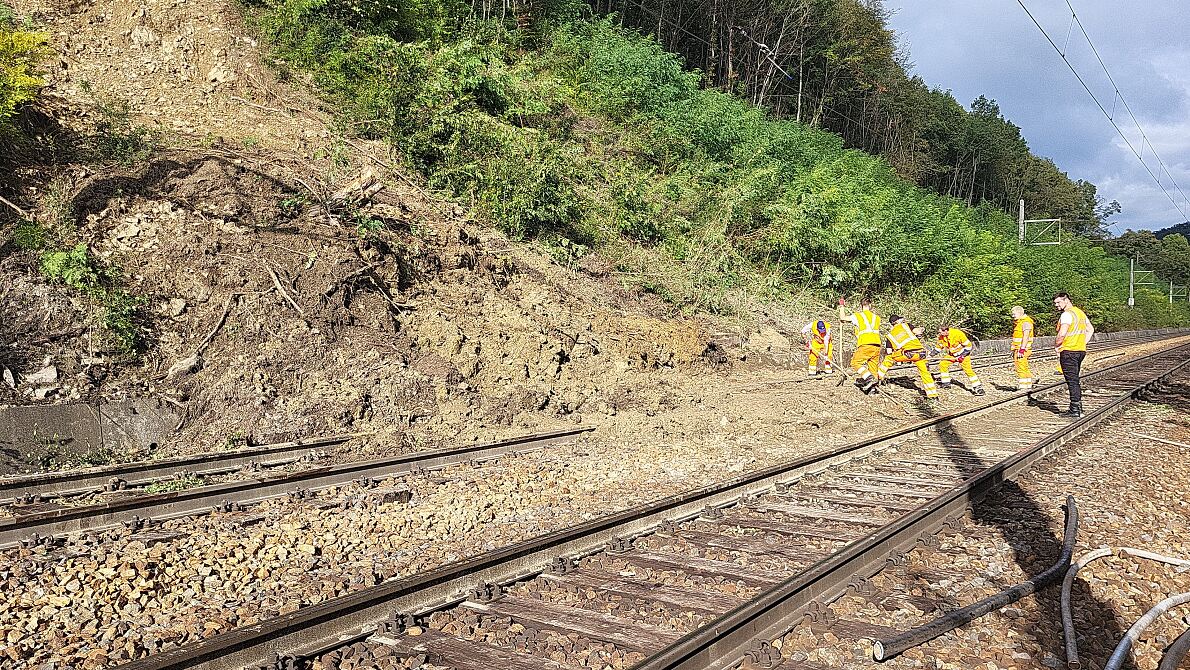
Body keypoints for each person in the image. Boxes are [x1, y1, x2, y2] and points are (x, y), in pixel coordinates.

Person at [876, 315, 939, 400]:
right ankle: (933, 395)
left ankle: (877, 377)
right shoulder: (906, 325)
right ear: (897, 321)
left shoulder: (890, 336)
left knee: (889, 358)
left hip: (907, 354)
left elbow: (889, 352)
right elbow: (918, 332)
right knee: (925, 373)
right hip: (920, 353)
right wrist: (921, 330)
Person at [1053, 292, 1094, 417]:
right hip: (1080, 351)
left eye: (1058, 302)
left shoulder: (1066, 315)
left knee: (1072, 381)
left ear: (1066, 300)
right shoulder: (1080, 313)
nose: (1056, 305)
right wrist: (1083, 343)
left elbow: (1062, 333)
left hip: (1069, 351)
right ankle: (1078, 407)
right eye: (1055, 303)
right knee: (1074, 379)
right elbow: (1090, 329)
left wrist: (1057, 345)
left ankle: (1075, 409)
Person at [840, 298, 881, 394]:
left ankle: (868, 377)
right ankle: (873, 389)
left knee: (855, 363)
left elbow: (843, 318)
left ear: (861, 305)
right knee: (873, 367)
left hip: (866, 344)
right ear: (870, 305)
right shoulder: (877, 318)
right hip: (877, 345)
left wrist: (842, 306)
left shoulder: (858, 316)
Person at [935, 325, 985, 395]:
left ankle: (978, 388)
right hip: (952, 355)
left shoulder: (958, 334)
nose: (940, 334)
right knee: (943, 364)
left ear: (946, 331)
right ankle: (946, 384)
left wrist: (962, 356)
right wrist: (929, 356)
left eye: (941, 332)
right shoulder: (941, 337)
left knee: (968, 371)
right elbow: (938, 348)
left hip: (963, 355)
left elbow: (969, 346)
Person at [1010, 306, 1036, 391]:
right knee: (1024, 366)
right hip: (1019, 349)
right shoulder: (1021, 322)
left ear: (1019, 313)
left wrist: (1022, 349)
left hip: (1022, 350)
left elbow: (1026, 336)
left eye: (1014, 314)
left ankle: (1023, 387)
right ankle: (1027, 385)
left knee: (1021, 367)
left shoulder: (1025, 322)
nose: (1013, 316)